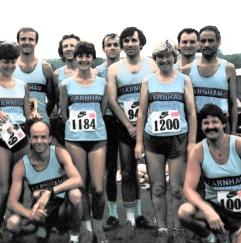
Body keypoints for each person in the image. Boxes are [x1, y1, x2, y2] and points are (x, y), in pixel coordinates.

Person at [178, 104, 241, 243]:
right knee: (184, 211)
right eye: (206, 123)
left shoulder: (240, 145)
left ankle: (237, 234)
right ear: (201, 127)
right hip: (215, 211)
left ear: (223, 123)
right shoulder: (198, 151)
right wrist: (207, 210)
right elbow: (188, 189)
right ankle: (211, 238)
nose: (210, 126)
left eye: (214, 122)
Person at [134, 39, 197, 243]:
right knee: (158, 187)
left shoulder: (183, 80)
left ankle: (178, 229)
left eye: (167, 56)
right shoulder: (148, 81)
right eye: (159, 57)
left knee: (177, 188)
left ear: (173, 57)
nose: (163, 60)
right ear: (156, 59)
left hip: (178, 139)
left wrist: (191, 142)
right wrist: (139, 143)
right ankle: (162, 229)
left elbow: (191, 113)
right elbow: (142, 112)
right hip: (154, 140)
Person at [0, 42, 39, 243]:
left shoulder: (22, 86)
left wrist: (35, 115)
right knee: (3, 188)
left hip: (20, 138)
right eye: (6, 62)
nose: (9, 66)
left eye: (13, 62)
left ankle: (15, 228)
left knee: (19, 187)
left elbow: (27, 114)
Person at [106, 26, 158, 240]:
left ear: (141, 42)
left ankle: (154, 218)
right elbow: (111, 99)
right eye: (125, 41)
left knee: (154, 174)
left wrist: (143, 125)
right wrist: (128, 125)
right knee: (127, 170)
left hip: (150, 127)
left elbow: (158, 93)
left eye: (133, 40)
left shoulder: (152, 64)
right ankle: (130, 218)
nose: (128, 44)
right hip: (124, 127)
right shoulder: (114, 69)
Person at [60, 41, 109, 243]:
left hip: (97, 138)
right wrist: (75, 129)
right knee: (80, 186)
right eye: (80, 56)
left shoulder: (102, 83)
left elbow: (102, 111)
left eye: (87, 56)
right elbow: (64, 114)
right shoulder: (66, 84)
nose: (83, 59)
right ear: (75, 58)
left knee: (97, 188)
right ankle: (86, 228)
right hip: (75, 140)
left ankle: (98, 225)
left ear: (93, 58)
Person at [6, 120, 83, 243]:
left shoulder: (59, 153)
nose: (39, 141)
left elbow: (77, 179)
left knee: (75, 194)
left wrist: (49, 192)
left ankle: (74, 238)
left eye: (43, 137)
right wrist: (29, 214)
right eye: (35, 137)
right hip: (40, 212)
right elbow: (11, 203)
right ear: (29, 139)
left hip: (61, 211)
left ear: (50, 138)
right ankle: (40, 231)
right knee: (12, 223)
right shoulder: (21, 165)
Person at [181, 25, 237, 142]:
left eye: (211, 40)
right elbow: (183, 104)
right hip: (196, 128)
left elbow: (232, 103)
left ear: (219, 42)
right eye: (203, 41)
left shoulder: (228, 68)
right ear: (198, 43)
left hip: (221, 127)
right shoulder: (187, 70)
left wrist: (233, 133)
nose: (206, 44)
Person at [94, 33, 122, 231]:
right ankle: (113, 214)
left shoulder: (130, 68)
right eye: (108, 45)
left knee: (129, 169)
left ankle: (137, 214)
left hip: (128, 121)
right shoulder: (96, 71)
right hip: (107, 121)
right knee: (110, 170)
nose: (112, 48)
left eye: (115, 45)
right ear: (103, 49)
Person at [13, 27, 55, 125]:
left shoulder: (45, 67)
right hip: (17, 122)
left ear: (36, 42)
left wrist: (43, 114)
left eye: (31, 39)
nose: (27, 42)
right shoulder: (11, 68)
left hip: (41, 122)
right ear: (18, 41)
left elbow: (52, 99)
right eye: (23, 39)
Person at [51, 34, 81, 147]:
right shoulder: (57, 74)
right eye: (65, 46)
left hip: (85, 121)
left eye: (72, 45)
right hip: (64, 122)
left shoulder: (93, 73)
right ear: (61, 50)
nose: (69, 48)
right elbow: (57, 99)